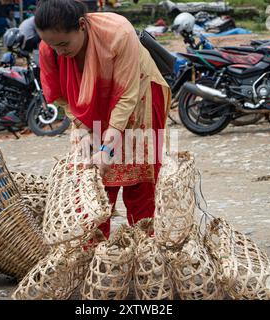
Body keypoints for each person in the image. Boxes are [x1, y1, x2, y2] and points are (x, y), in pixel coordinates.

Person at [35, 0, 171, 238]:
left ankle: (146, 247)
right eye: (52, 46)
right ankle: (94, 250)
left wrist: (107, 147)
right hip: (87, 109)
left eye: (64, 44)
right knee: (91, 180)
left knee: (139, 181)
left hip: (138, 96)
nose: (59, 52)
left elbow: (127, 95)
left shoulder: (118, 33)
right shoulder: (50, 48)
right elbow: (60, 97)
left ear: (81, 25)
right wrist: (83, 128)